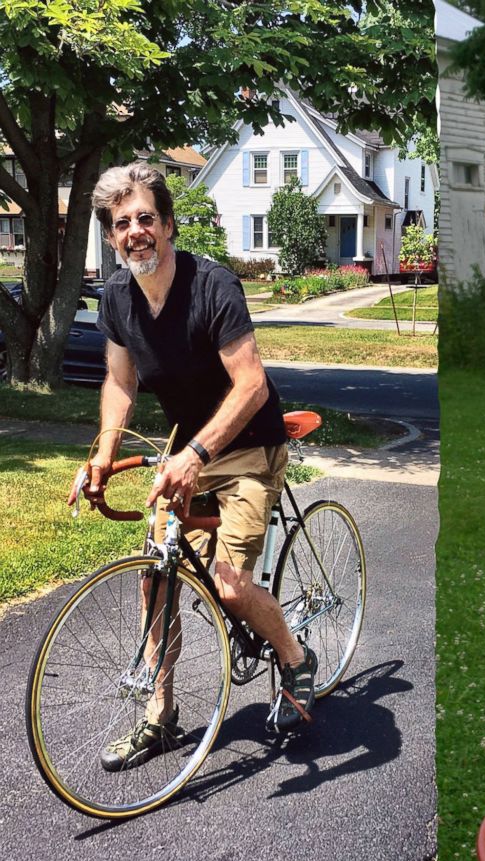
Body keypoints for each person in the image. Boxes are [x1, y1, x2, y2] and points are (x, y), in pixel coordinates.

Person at [87, 162, 318, 765]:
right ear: (112, 239)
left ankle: (296, 659)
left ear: (167, 225)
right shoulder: (116, 297)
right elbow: (119, 380)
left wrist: (195, 453)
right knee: (155, 572)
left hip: (245, 444)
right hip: (188, 450)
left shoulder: (212, 285)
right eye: (121, 224)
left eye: (145, 218)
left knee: (230, 583)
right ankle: (160, 713)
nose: (135, 231)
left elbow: (251, 385)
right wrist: (104, 450)